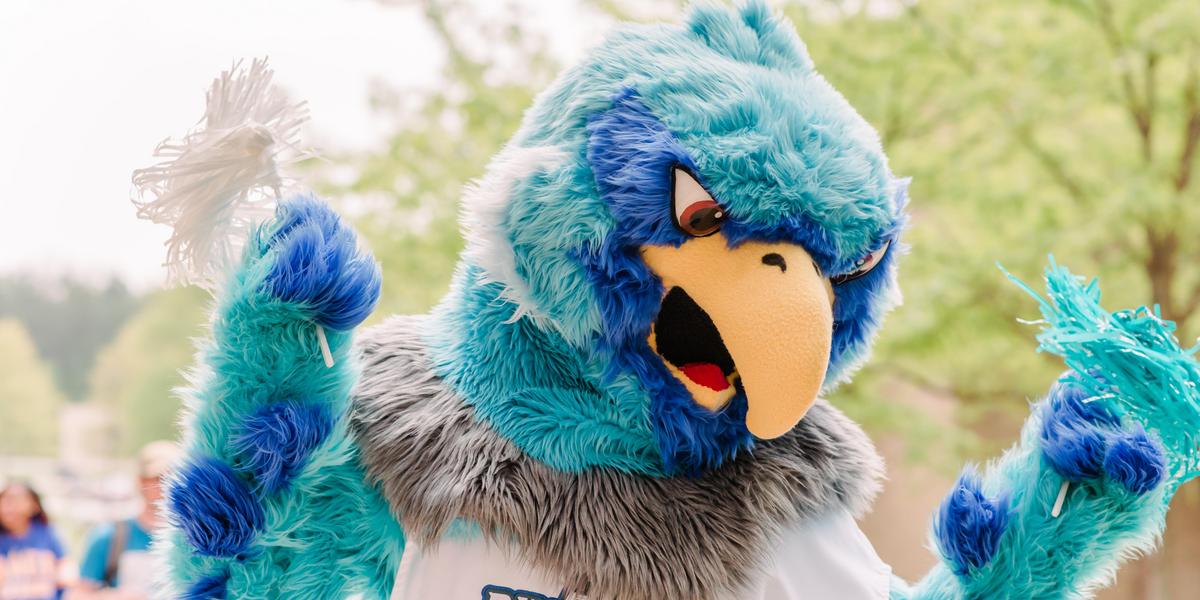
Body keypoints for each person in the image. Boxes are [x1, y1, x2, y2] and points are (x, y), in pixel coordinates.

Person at [72, 442, 179, 600]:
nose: (166, 487)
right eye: (158, 479)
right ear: (141, 481)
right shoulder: (109, 535)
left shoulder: (195, 542)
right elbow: (77, 595)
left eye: (174, 479)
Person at [0, 482, 66, 600]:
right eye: (3, 500)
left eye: (15, 500)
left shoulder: (46, 532)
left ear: (34, 505)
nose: (7, 506)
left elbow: (65, 568)